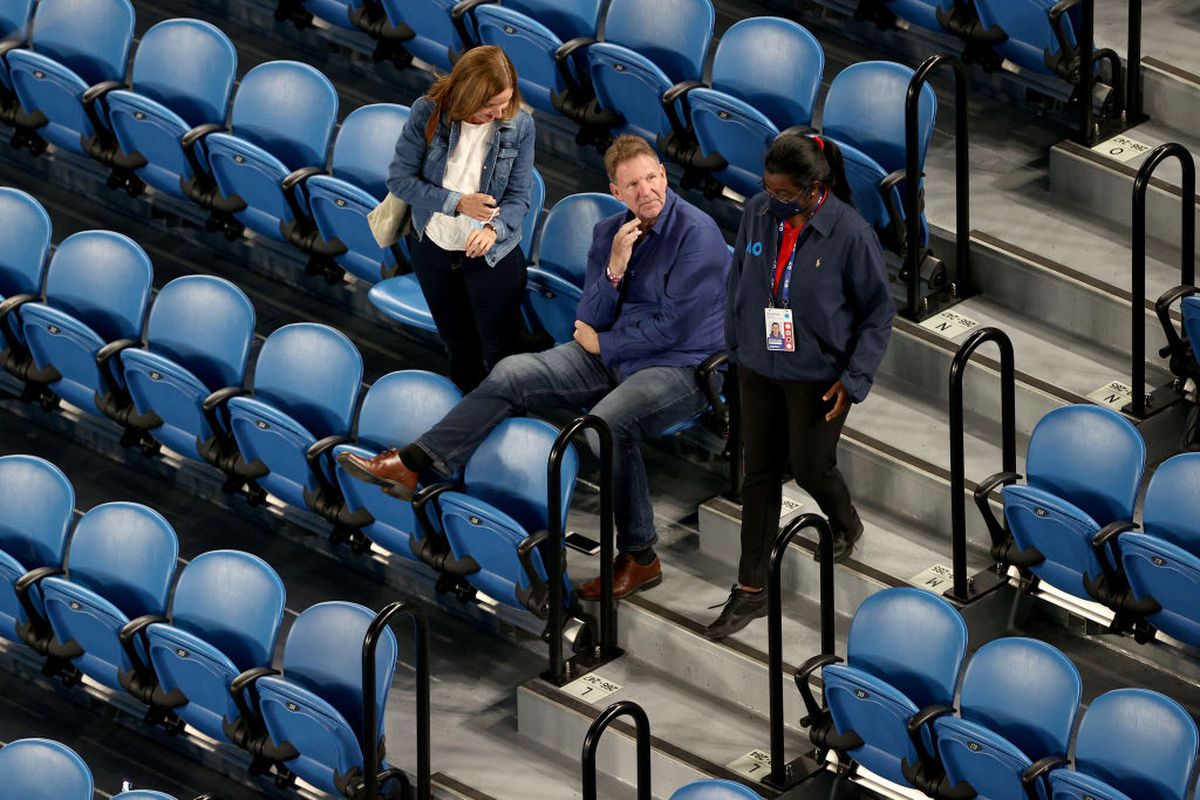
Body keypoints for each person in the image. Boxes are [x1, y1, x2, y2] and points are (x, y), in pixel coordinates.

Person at [341, 135, 730, 599]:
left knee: (604, 426)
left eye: (652, 178)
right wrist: (615, 271)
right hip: (614, 352)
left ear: (664, 176)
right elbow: (591, 309)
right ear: (615, 192)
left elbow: (674, 329)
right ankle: (415, 463)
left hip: (683, 365)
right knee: (511, 373)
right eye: (633, 184)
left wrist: (602, 342)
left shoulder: (698, 233)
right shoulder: (609, 234)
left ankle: (641, 557)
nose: (646, 191)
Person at [705, 133, 895, 640]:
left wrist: (853, 380)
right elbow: (739, 277)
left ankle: (845, 520)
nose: (774, 201)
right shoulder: (759, 212)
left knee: (812, 468)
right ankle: (750, 590)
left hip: (818, 377)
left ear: (815, 188)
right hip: (758, 368)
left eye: (785, 194)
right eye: (769, 190)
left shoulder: (851, 234)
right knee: (759, 475)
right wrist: (737, 345)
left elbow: (878, 314)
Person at [387, 45, 536, 392]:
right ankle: (467, 428)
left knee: (502, 355)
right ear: (467, 95)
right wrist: (457, 203)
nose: (499, 113)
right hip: (433, 249)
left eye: (506, 101)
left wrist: (492, 228)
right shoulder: (427, 113)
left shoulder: (520, 124)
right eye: (490, 105)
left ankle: (506, 421)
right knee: (459, 349)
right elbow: (400, 180)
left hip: (493, 256)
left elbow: (518, 198)